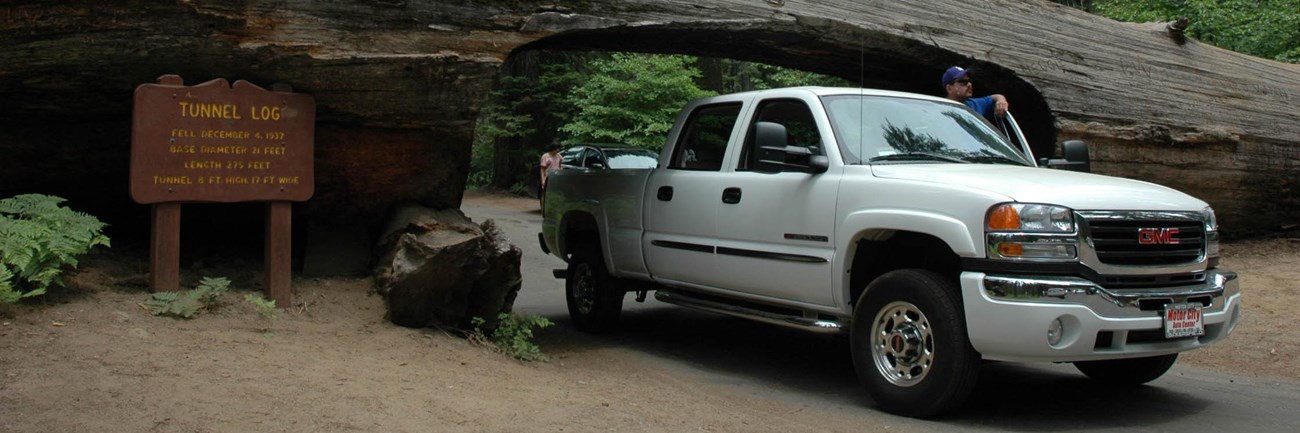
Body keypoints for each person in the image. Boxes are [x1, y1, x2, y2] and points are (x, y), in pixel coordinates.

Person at [942, 66, 1009, 122]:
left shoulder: (974, 104)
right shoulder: (941, 110)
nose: (969, 84)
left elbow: (997, 97)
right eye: (963, 82)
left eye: (969, 81)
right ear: (949, 88)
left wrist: (1001, 101)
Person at [538, 141, 563, 207]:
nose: (558, 150)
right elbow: (542, 169)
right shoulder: (545, 156)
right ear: (553, 148)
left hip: (556, 177)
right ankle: (544, 206)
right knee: (545, 193)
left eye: (558, 149)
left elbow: (560, 165)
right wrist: (543, 180)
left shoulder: (559, 156)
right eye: (557, 149)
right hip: (548, 177)